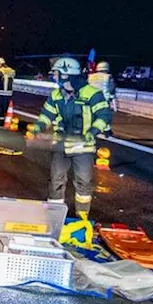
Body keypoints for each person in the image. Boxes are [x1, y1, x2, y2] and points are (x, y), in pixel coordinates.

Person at [30, 57, 112, 219]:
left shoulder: (92, 94)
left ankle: (82, 217)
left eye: (56, 73)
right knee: (56, 181)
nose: (54, 76)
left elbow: (103, 115)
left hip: (83, 145)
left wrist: (93, 131)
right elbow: (47, 114)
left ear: (66, 75)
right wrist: (39, 127)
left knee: (83, 183)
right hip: (60, 144)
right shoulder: (55, 95)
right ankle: (55, 216)